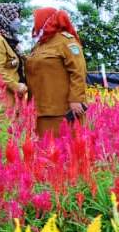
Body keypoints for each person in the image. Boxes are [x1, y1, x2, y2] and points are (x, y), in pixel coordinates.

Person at [25, 8, 88, 136]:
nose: (34, 23)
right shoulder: (40, 44)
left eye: (36, 19)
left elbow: (78, 71)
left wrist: (76, 99)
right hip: (39, 109)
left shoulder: (66, 41)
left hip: (61, 110)